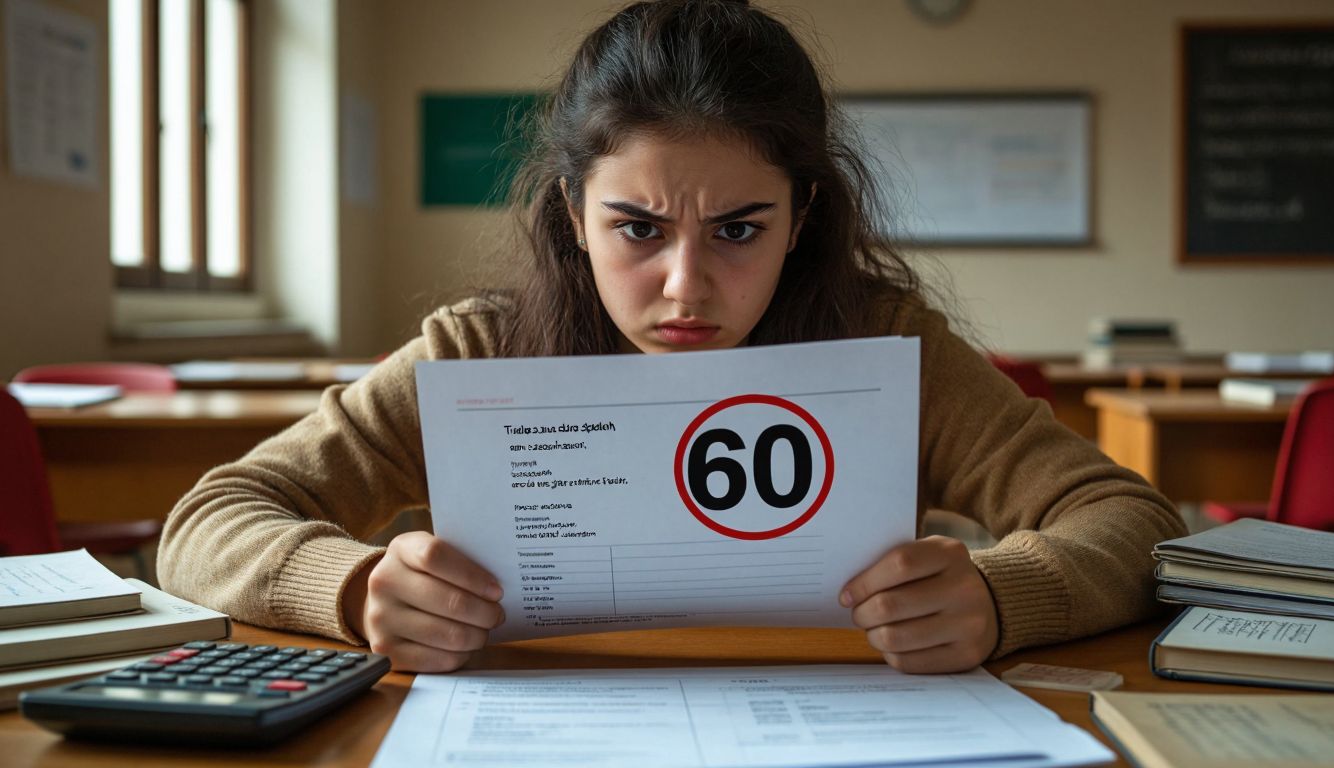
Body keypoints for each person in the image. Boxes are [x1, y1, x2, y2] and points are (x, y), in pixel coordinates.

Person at [157, 0, 1185, 674]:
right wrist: (348, 585)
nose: (686, 285)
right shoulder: (479, 354)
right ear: (571, 214)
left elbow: (1131, 521)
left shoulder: (884, 344)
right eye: (636, 229)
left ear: (804, 216)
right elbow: (206, 520)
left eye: (740, 229)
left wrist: (1004, 595)